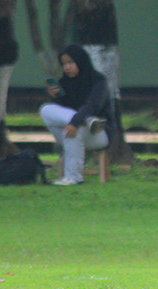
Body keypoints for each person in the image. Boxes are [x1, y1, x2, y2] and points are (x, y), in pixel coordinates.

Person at [39, 44, 113, 186]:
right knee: (45, 109)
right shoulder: (64, 83)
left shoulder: (98, 80)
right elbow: (60, 111)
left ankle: (73, 178)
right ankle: (87, 119)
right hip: (76, 127)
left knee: (73, 130)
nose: (67, 67)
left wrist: (75, 122)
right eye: (64, 64)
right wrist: (54, 97)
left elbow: (94, 104)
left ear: (80, 61)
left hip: (98, 131)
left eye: (71, 62)